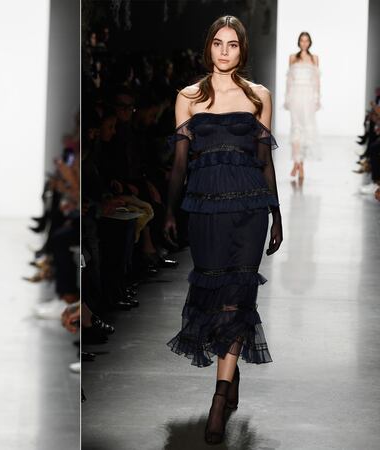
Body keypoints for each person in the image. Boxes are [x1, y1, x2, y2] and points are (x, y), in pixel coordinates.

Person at [163, 16, 283, 445]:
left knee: (237, 296)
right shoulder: (189, 97)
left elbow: (264, 160)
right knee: (214, 296)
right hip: (206, 209)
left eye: (232, 44)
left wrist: (276, 213)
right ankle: (230, 376)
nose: (225, 51)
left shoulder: (259, 96)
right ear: (208, 48)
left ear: (242, 50)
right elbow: (180, 164)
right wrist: (169, 212)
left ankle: (218, 401)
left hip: (250, 208)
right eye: (218, 43)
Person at [284, 31, 320, 180]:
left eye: (306, 40)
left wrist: (317, 98)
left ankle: (301, 164)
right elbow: (289, 80)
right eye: (302, 40)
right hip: (295, 96)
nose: (304, 43)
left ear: (309, 42)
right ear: (298, 42)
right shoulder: (292, 57)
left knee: (306, 130)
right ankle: (296, 162)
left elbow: (317, 80)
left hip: (308, 97)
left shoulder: (314, 58)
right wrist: (287, 98)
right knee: (296, 128)